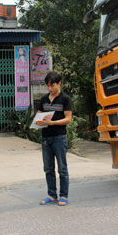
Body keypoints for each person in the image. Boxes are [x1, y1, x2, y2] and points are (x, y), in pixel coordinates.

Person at [35, 71, 73, 206]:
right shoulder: (44, 99)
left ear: (59, 84)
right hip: (46, 137)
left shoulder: (65, 99)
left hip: (59, 137)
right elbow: (39, 115)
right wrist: (39, 121)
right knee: (48, 168)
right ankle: (52, 195)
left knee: (62, 168)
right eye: (47, 86)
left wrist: (53, 123)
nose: (50, 89)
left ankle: (63, 195)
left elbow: (68, 119)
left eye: (52, 85)